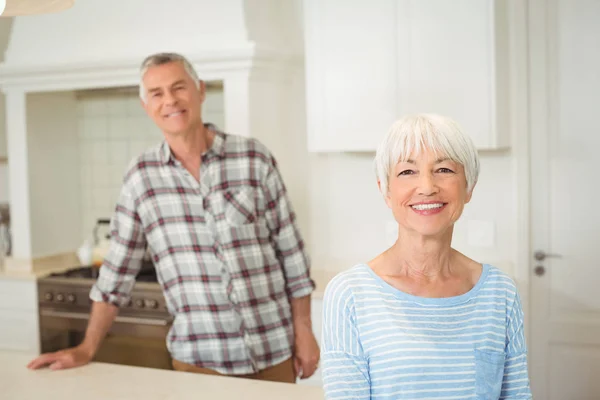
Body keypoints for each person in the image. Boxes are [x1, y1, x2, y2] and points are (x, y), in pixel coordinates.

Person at [27, 52, 320, 383]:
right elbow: (117, 272)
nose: (170, 101)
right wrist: (86, 347)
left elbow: (292, 255)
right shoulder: (141, 176)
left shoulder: (253, 158)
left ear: (200, 90)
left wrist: (304, 331)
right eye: (157, 93)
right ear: (146, 106)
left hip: (273, 352)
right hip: (197, 362)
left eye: (179, 87)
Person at [321, 114, 532, 399]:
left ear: (469, 186)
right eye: (407, 172)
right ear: (384, 189)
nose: (427, 186)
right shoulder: (349, 294)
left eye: (444, 169)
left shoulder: (500, 292)